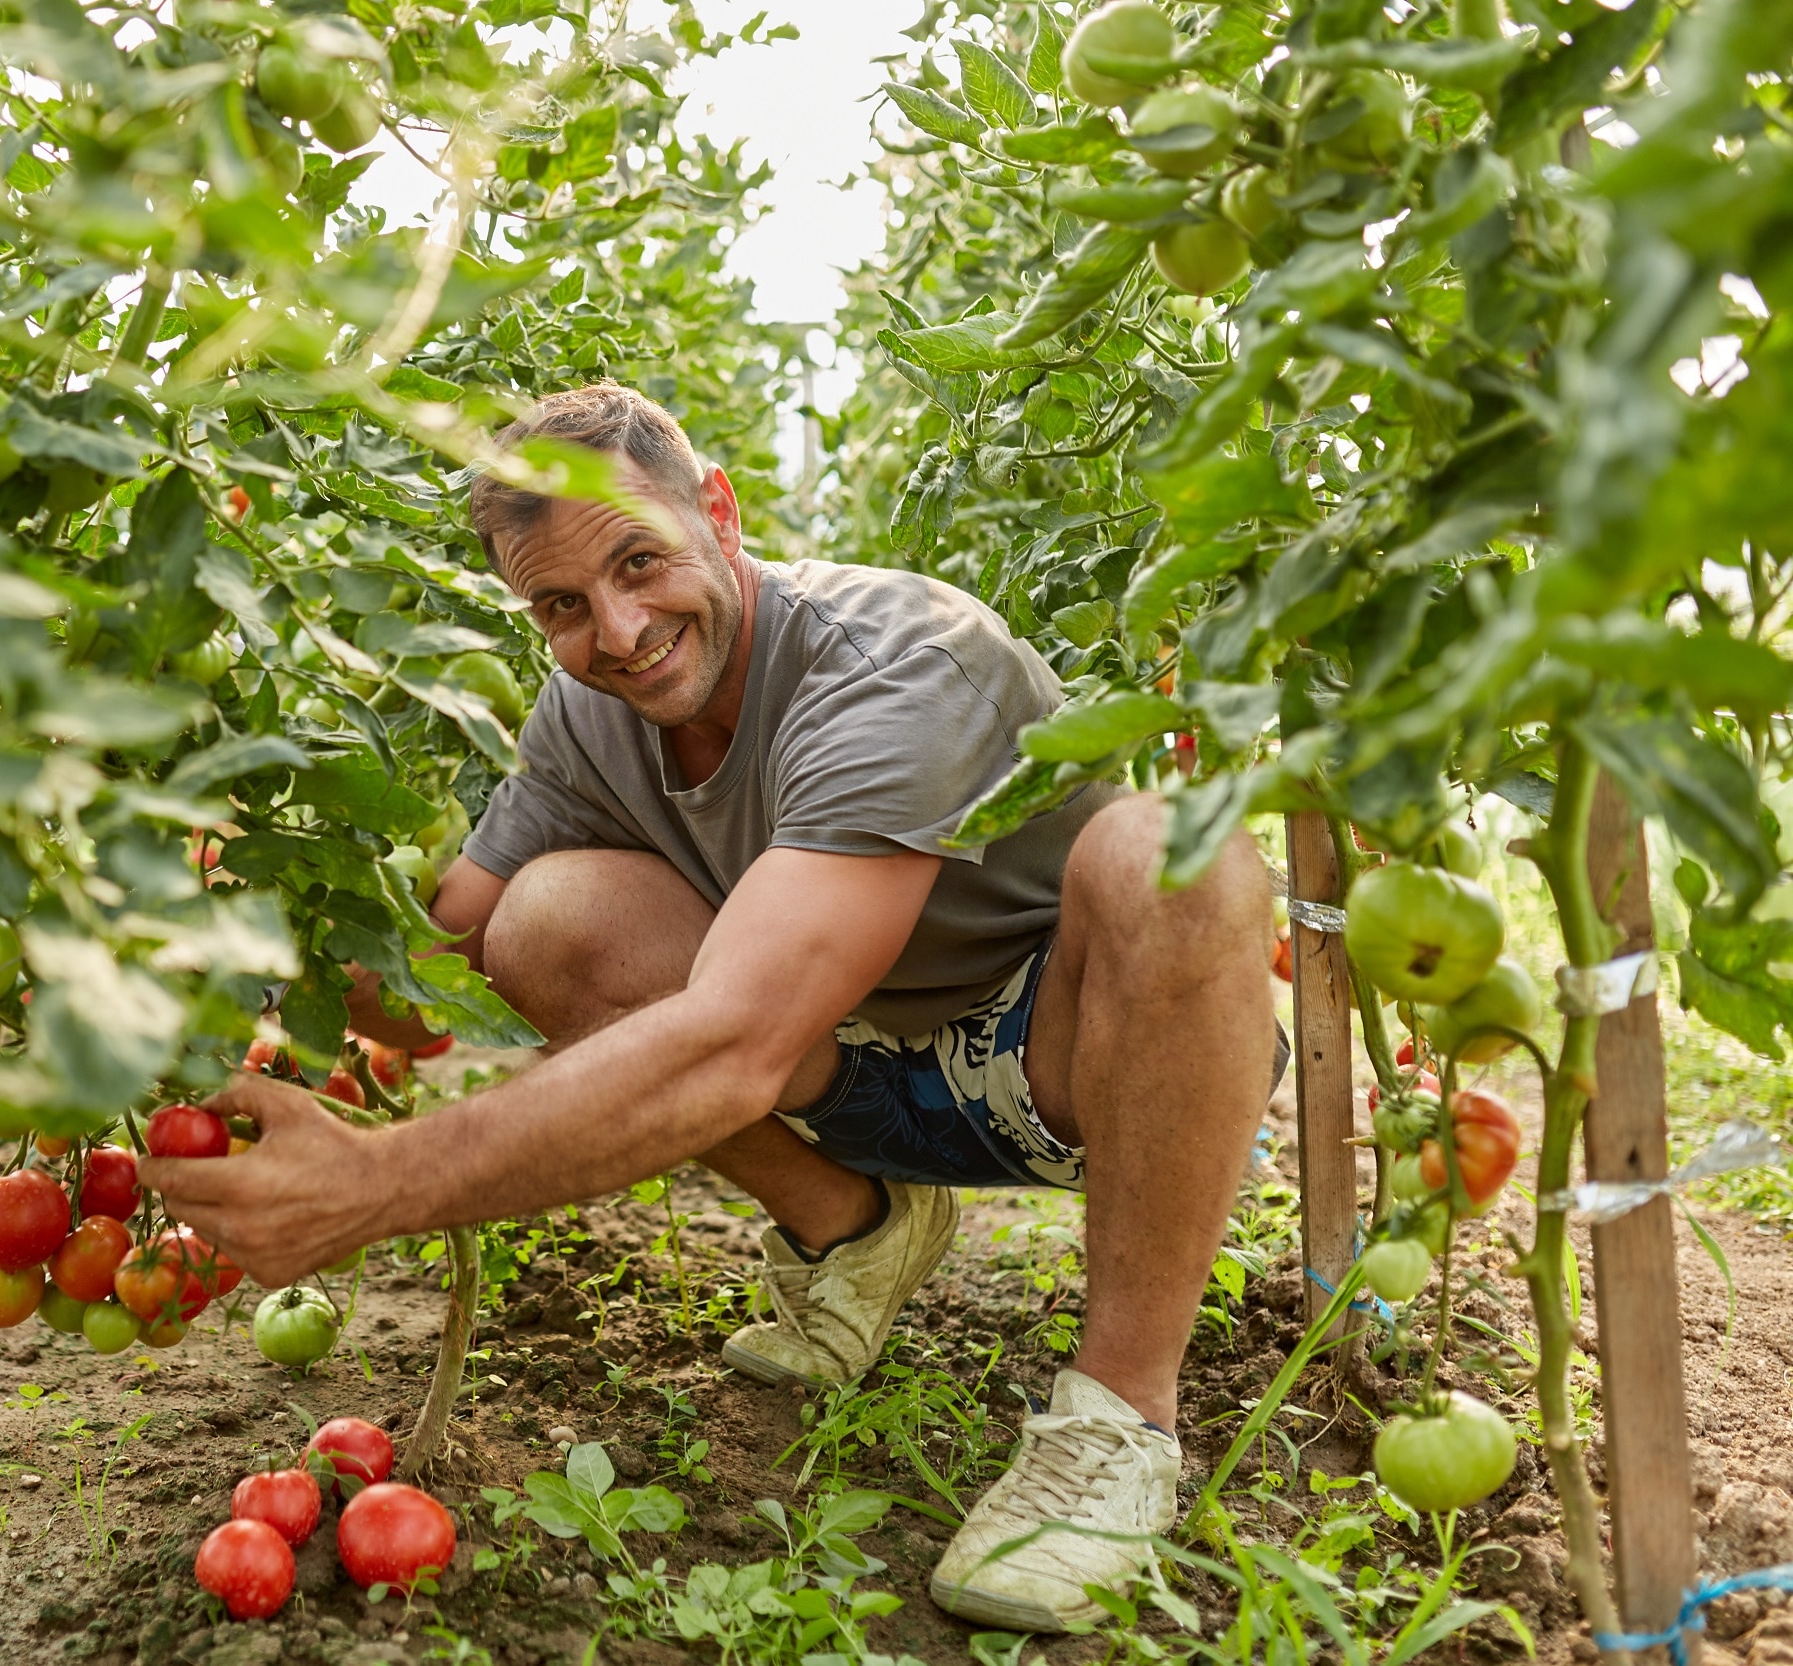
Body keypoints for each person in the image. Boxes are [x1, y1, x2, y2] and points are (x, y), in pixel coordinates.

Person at [143, 383, 1281, 1631]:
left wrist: (376, 1184)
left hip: (1058, 1067)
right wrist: (204, 946)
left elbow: (734, 1046)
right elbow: (444, 958)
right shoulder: (588, 713)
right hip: (846, 1068)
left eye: (640, 562)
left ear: (719, 515)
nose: (619, 632)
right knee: (545, 914)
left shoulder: (898, 661)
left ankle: (1118, 1416)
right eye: (562, 607)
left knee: (1180, 856)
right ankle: (859, 1232)